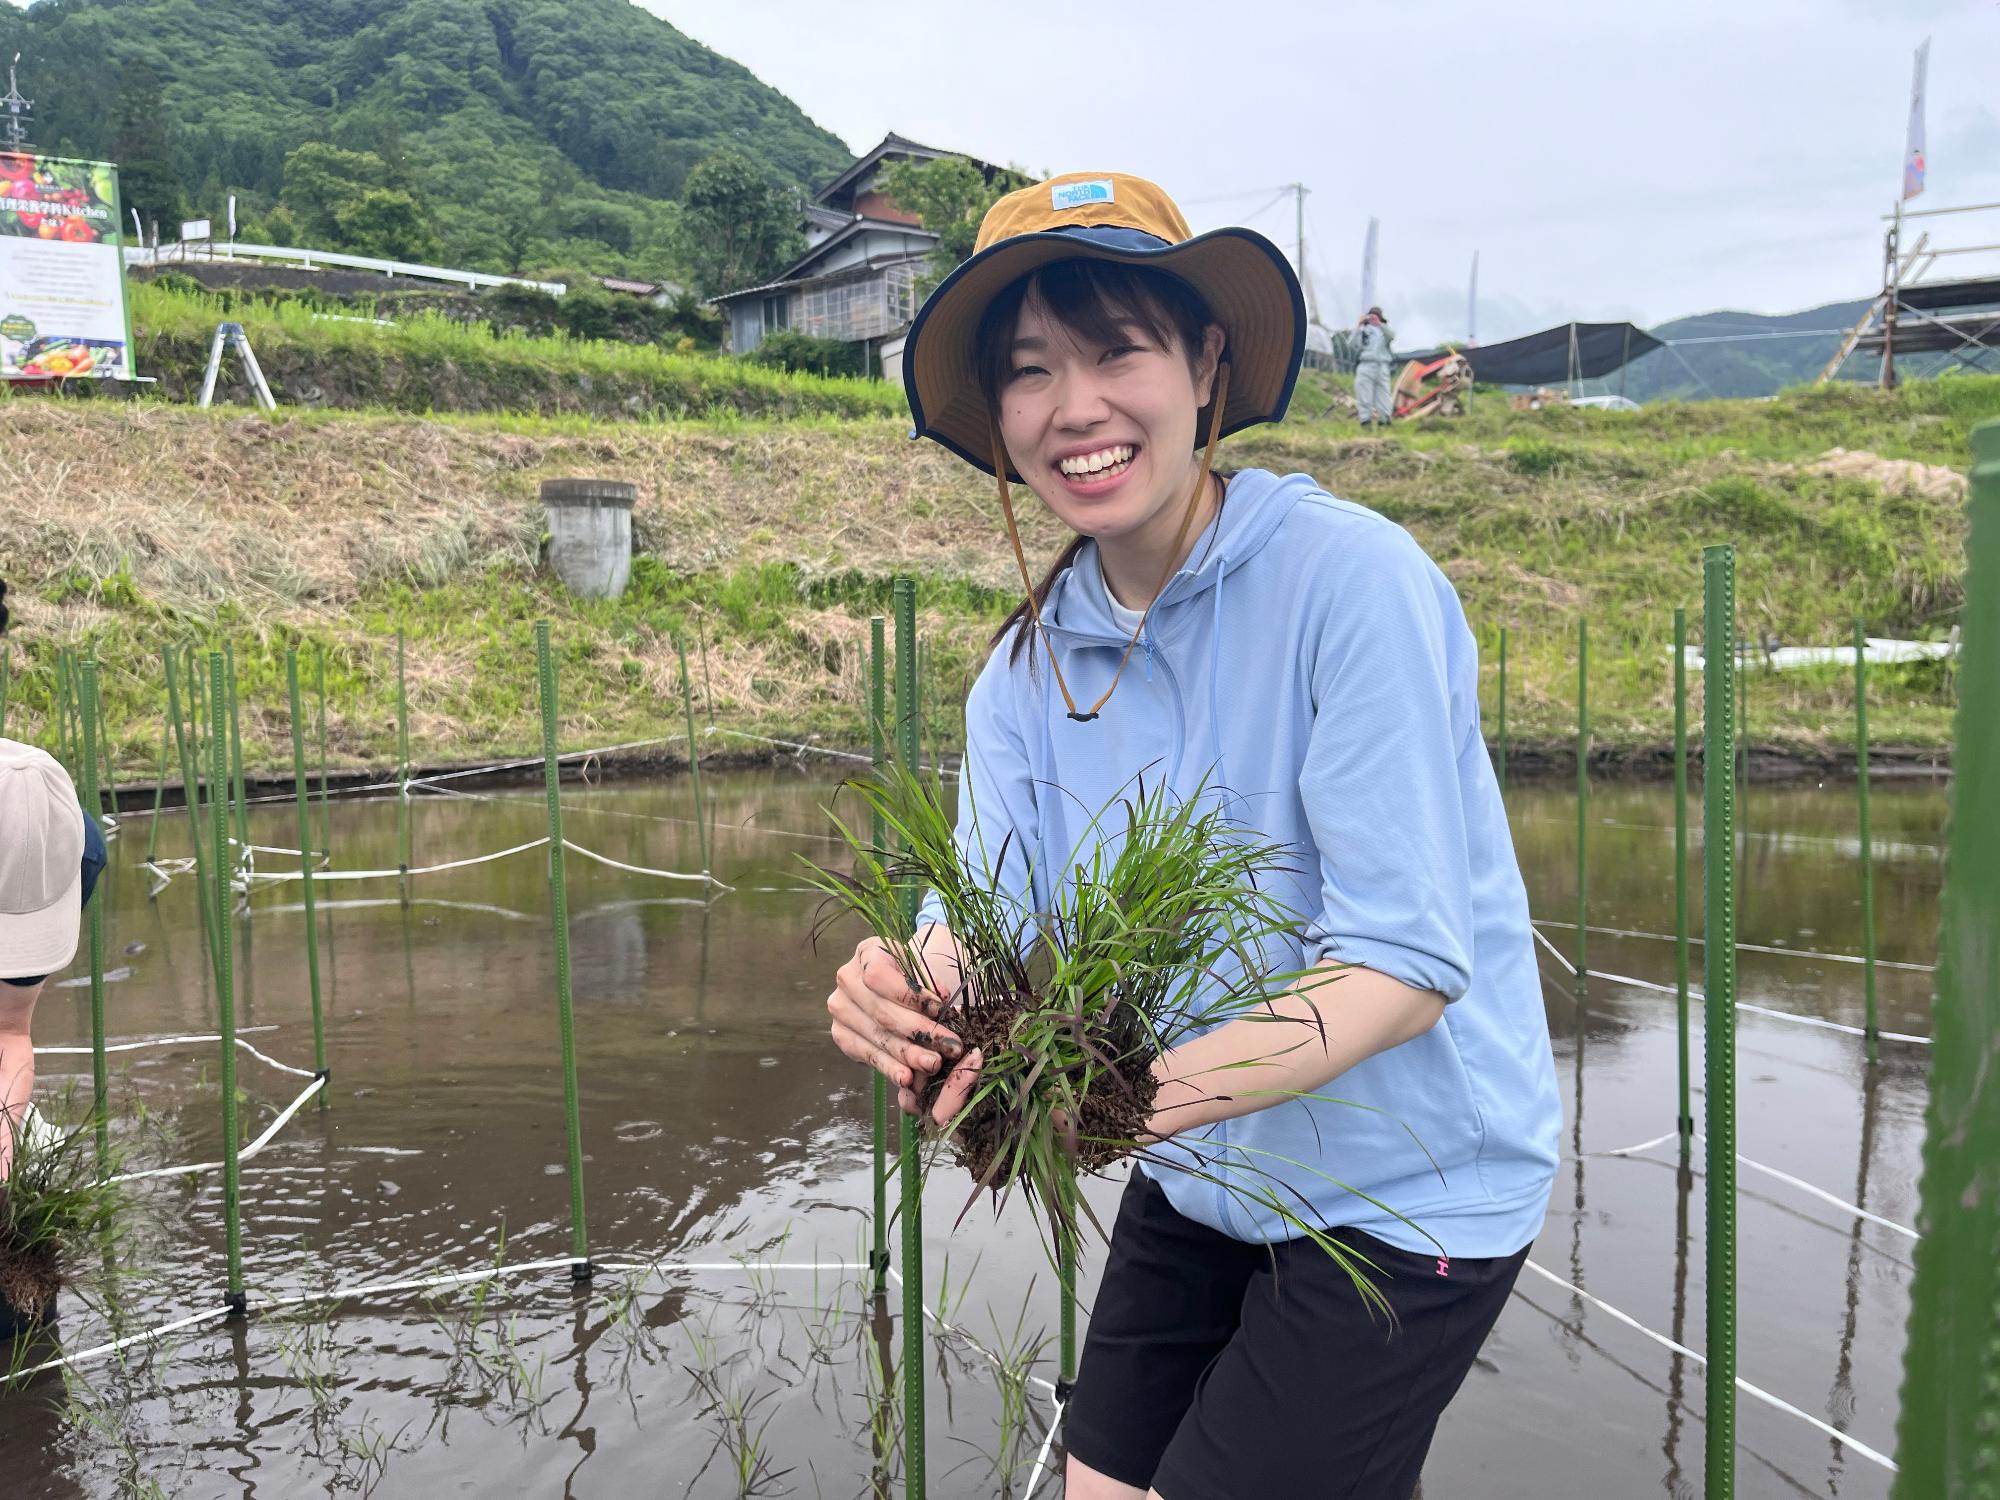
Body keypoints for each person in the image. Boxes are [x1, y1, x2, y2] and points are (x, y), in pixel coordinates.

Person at [823, 171, 1560, 1499]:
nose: (1077, 407)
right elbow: (991, 926)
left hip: (1411, 1192)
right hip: (1211, 1162)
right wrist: (915, 990)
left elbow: (1400, 968)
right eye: (1032, 369)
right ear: (998, 415)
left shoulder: (1353, 587)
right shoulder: (1022, 677)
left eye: (1117, 350)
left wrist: (1107, 1106)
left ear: (1207, 363)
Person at [1354, 304, 1395, 430]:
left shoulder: (1385, 331)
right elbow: (1351, 344)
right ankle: (1365, 422)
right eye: (1371, 316)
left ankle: (1384, 422)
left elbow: (1392, 336)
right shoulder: (1363, 331)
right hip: (1365, 365)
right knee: (1364, 395)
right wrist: (1358, 326)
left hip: (1382, 366)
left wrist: (1380, 325)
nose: (1373, 319)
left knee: (1384, 395)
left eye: (1376, 317)